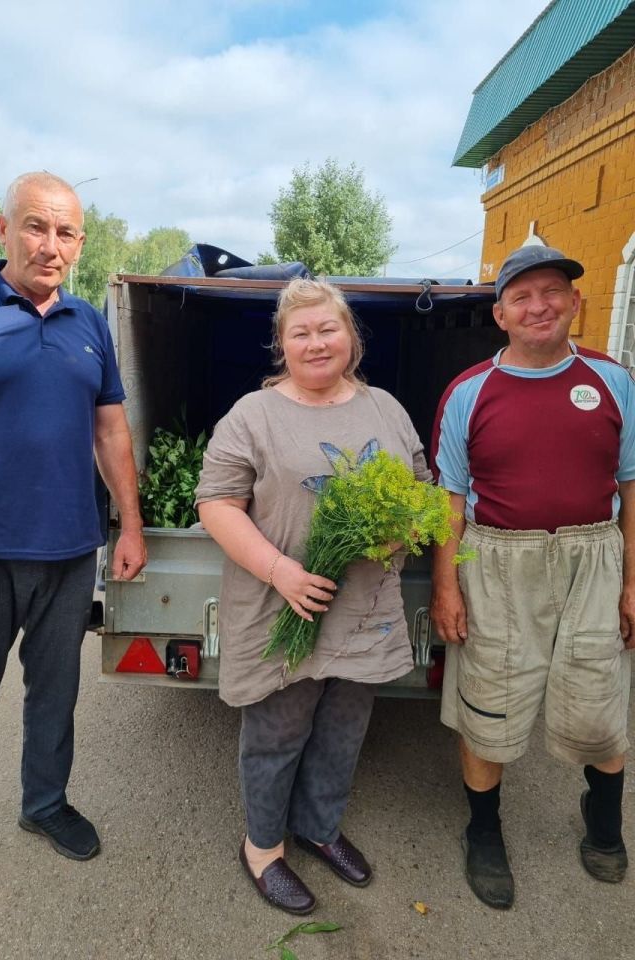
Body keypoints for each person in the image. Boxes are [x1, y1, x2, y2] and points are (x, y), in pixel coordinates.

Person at [0, 172, 147, 907]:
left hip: (70, 551)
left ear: (80, 244)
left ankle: (44, 804)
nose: (51, 245)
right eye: (36, 227)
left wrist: (130, 524)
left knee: (56, 694)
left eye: (66, 232)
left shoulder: (88, 323)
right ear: (3, 229)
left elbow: (110, 429)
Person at [195, 278, 430, 914]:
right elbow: (215, 503)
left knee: (344, 728)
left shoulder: (385, 407)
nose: (316, 342)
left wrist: (402, 531)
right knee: (277, 729)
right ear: (282, 344)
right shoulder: (254, 414)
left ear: (351, 336)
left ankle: (319, 828)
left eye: (328, 328)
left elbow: (420, 487)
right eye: (300, 332)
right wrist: (281, 571)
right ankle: (263, 847)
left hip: (364, 608)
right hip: (285, 604)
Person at [430, 244, 635, 910]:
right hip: (496, 562)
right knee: (487, 703)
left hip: (593, 560)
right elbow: (448, 502)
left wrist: (633, 581)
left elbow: (631, 487)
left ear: (577, 302)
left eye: (553, 292)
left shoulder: (615, 382)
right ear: (500, 314)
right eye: (522, 296)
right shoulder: (469, 393)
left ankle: (604, 825)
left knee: (601, 703)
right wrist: (446, 587)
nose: (539, 305)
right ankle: (483, 832)